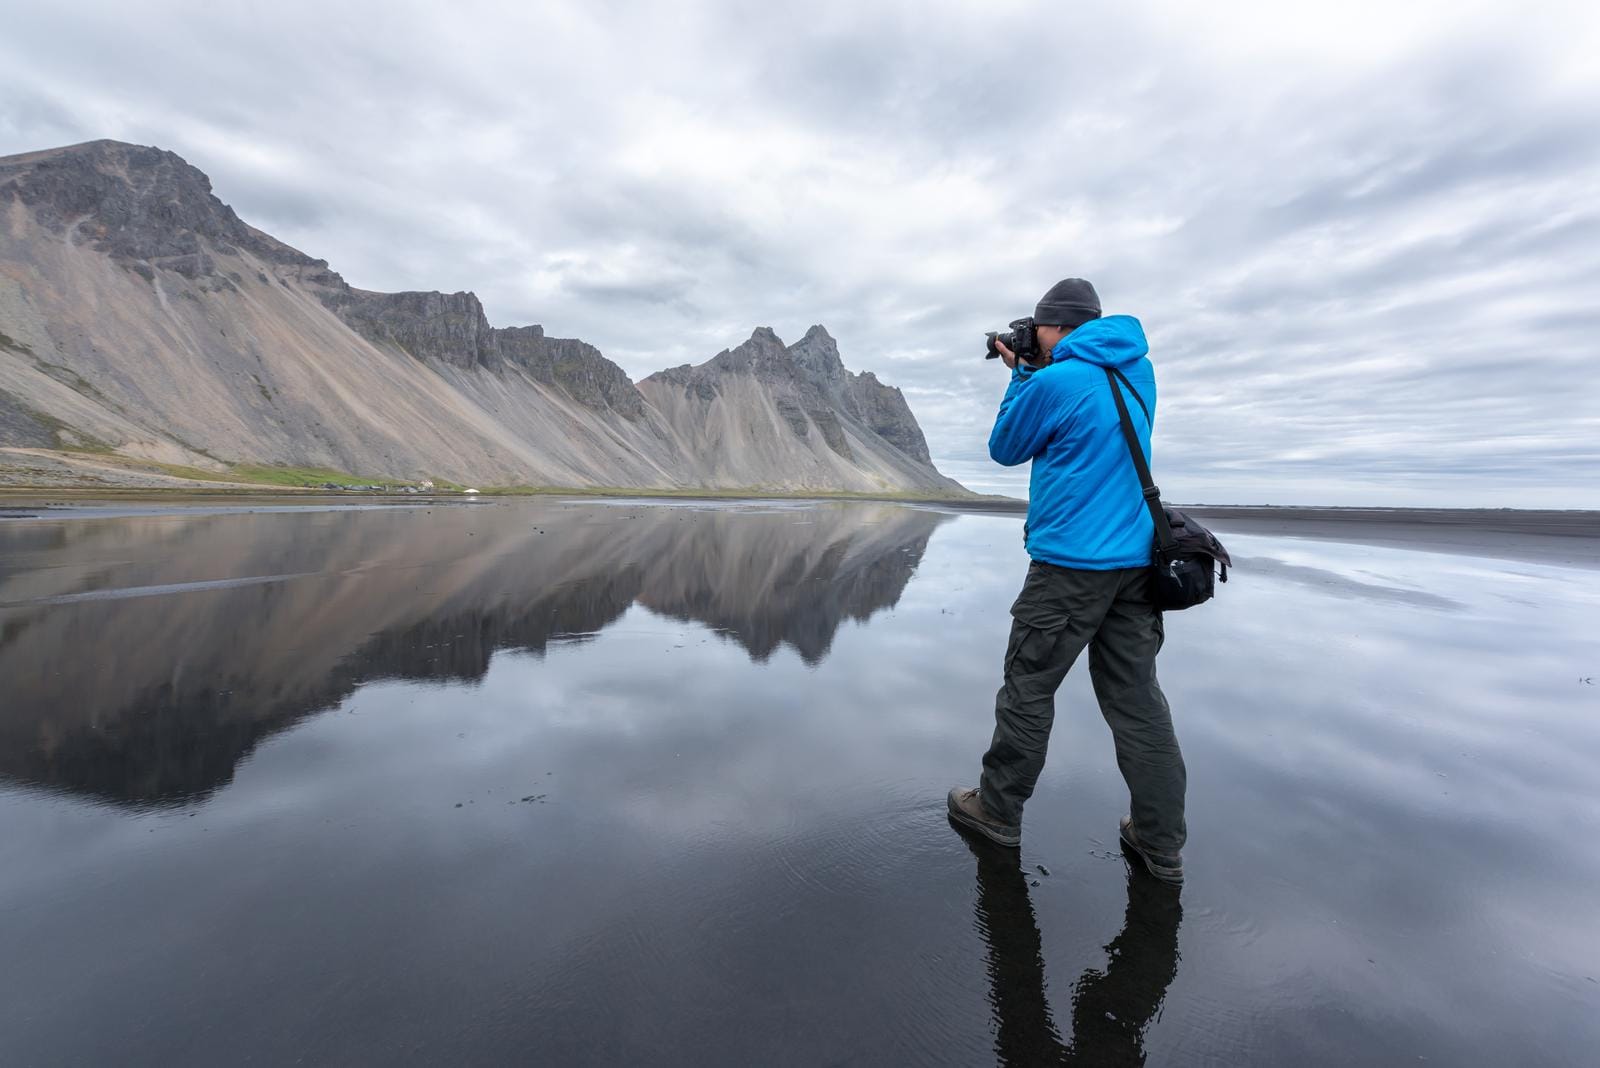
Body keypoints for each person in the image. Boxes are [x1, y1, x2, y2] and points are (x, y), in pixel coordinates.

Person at [947, 278, 1187, 885]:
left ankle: (997, 812)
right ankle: (1160, 843)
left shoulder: (1056, 379)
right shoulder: (1140, 374)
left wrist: (1021, 372)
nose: (1032, 336)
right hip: (1135, 568)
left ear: (1054, 328)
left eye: (1037, 327)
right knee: (1138, 703)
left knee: (1028, 688)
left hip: (1067, 571)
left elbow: (1005, 447)